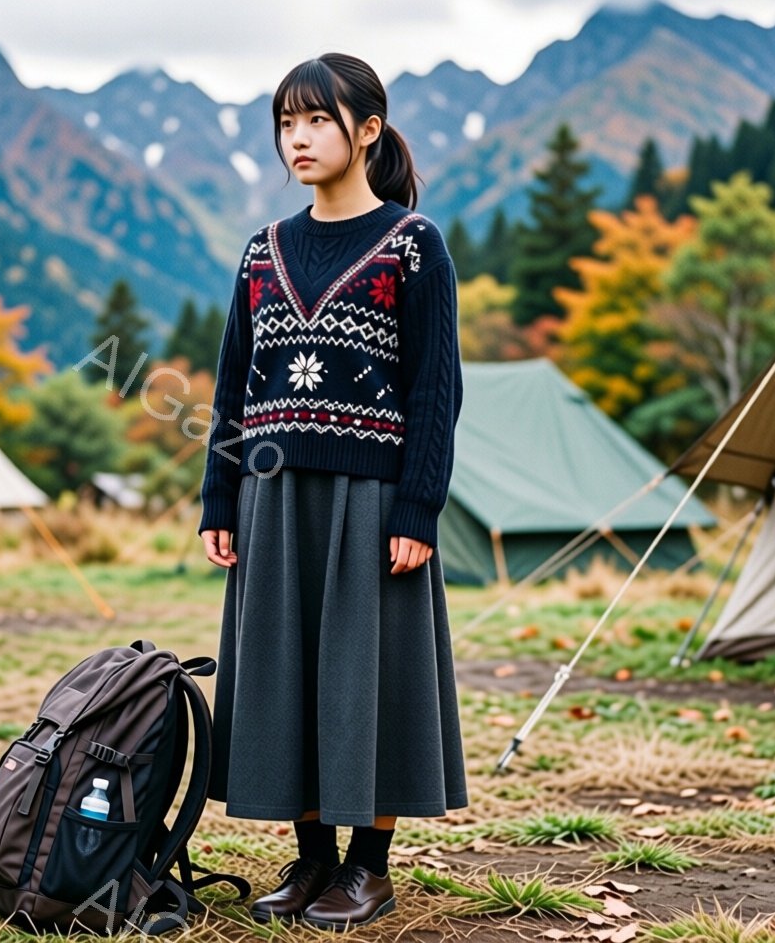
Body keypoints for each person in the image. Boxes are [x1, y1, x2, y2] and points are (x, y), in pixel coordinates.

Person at [196, 52, 468, 931]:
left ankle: (368, 868)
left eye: (316, 120)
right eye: (286, 122)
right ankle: (311, 861)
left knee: (369, 678)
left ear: (367, 131)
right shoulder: (261, 251)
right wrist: (220, 497)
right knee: (283, 676)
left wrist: (418, 508)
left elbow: (436, 389)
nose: (298, 138)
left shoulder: (412, 246)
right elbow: (232, 383)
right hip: (274, 499)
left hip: (371, 498)